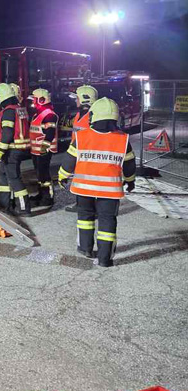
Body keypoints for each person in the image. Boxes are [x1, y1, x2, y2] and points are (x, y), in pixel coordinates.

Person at [57, 97, 136, 267]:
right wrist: (130, 181)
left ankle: (85, 248)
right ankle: (104, 259)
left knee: (85, 218)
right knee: (107, 221)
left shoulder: (81, 136)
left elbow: (69, 161)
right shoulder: (123, 139)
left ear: (94, 116)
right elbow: (129, 165)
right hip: (110, 191)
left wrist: (62, 176)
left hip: (83, 189)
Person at [0, 82, 31, 215]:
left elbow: (7, 133)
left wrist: (0, 151)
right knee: (2, 176)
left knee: (14, 178)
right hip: (18, 148)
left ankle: (24, 208)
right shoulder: (18, 108)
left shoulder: (8, 111)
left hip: (12, 150)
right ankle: (5, 205)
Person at [64, 85, 98, 213]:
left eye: (77, 98)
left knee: (89, 182)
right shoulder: (80, 114)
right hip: (78, 153)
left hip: (87, 154)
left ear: (85, 99)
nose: (75, 100)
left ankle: (91, 208)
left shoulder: (92, 116)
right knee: (79, 181)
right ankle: (80, 204)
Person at [29, 88, 58, 207]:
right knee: (39, 174)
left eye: (35, 99)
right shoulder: (39, 113)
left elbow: (50, 133)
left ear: (41, 100)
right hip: (36, 150)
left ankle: (47, 198)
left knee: (44, 175)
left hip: (44, 150)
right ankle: (41, 195)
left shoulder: (49, 115)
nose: (33, 102)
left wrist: (44, 147)